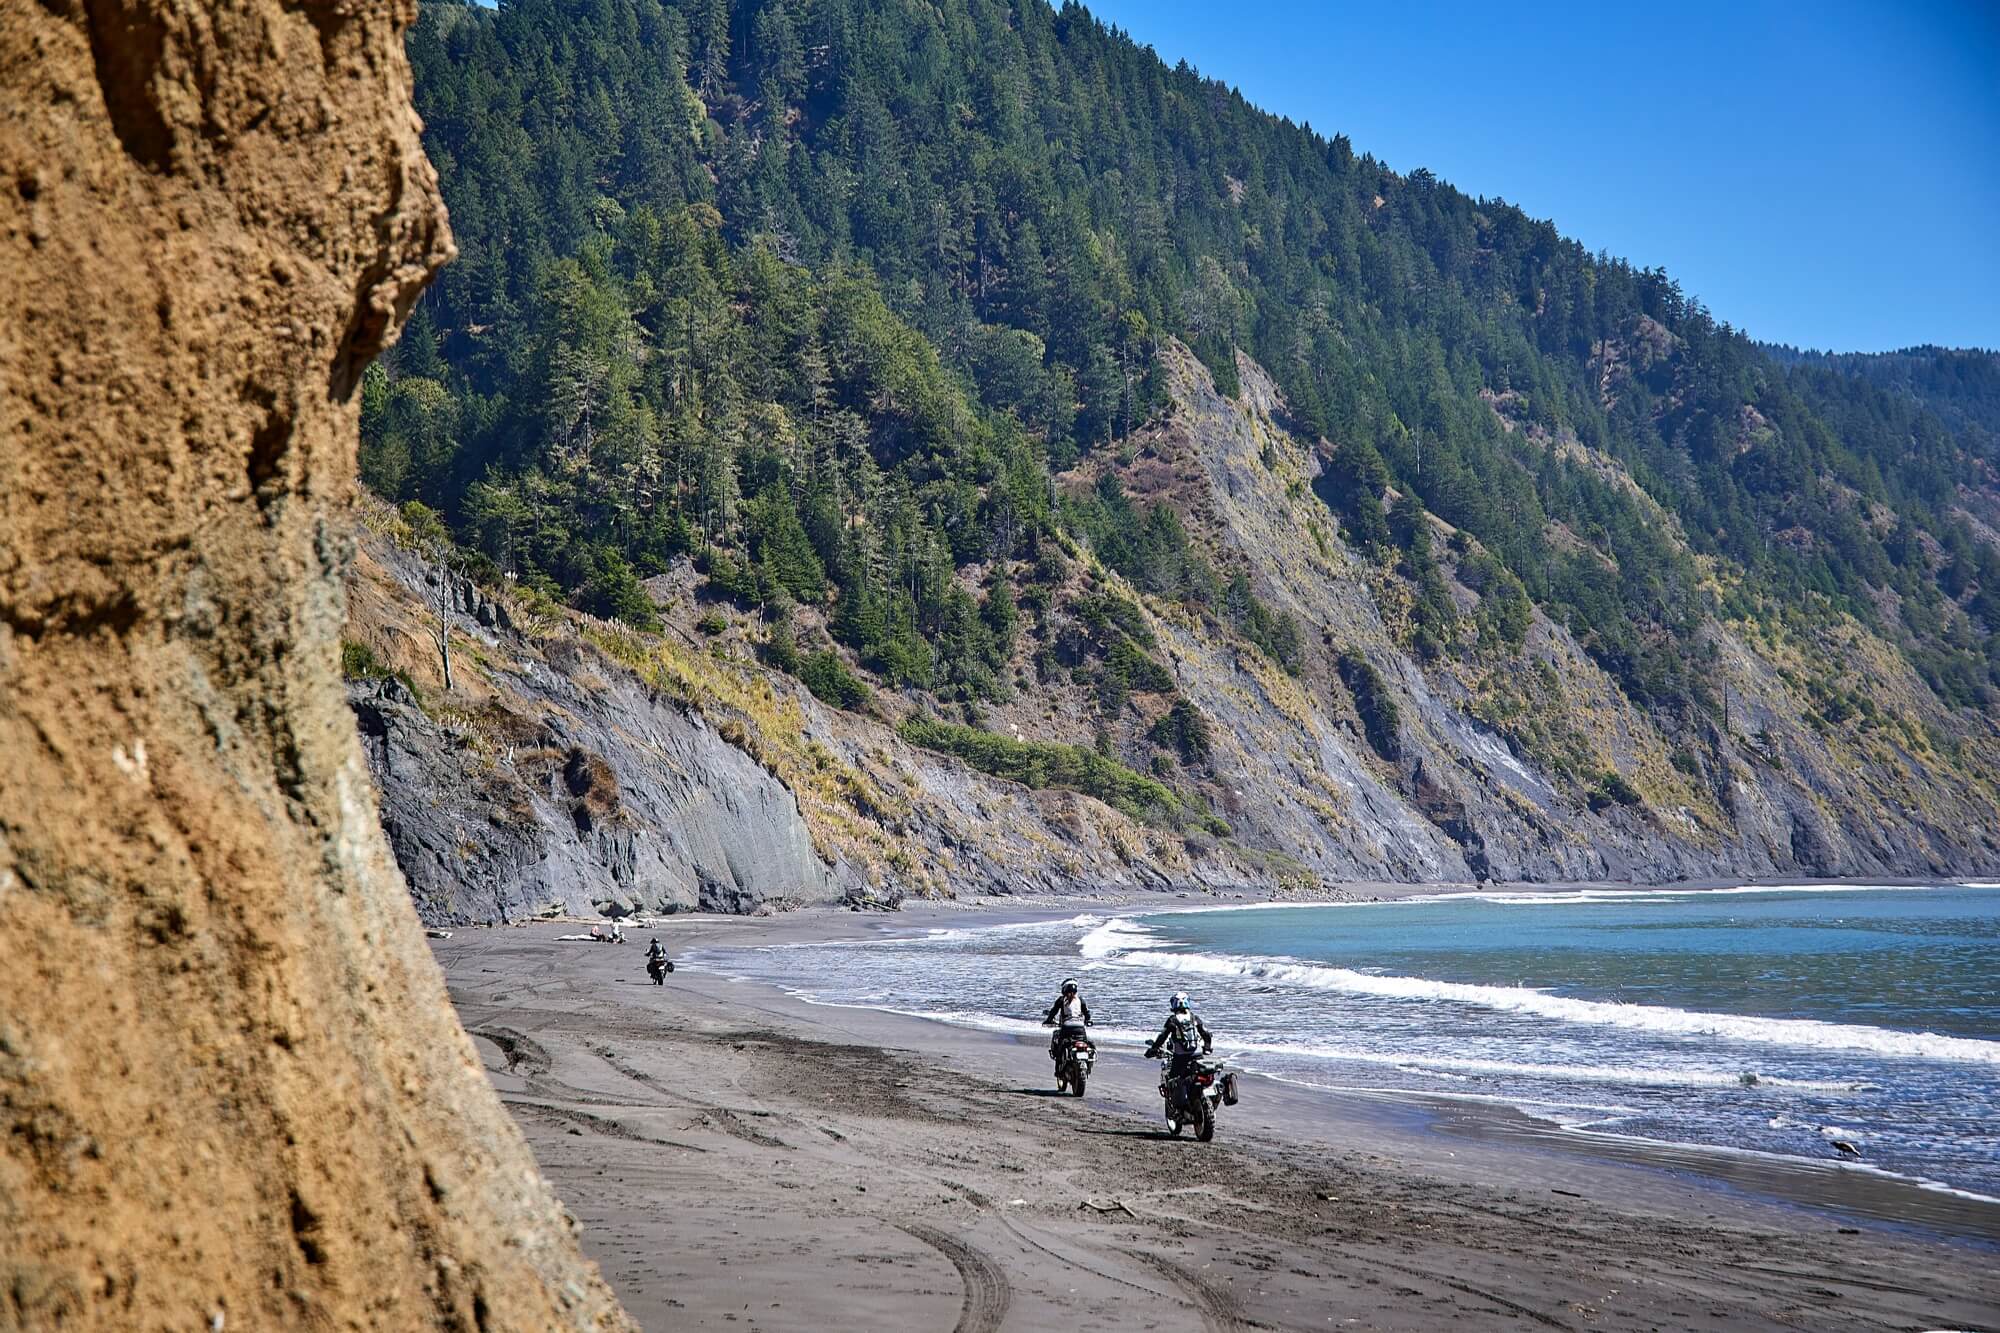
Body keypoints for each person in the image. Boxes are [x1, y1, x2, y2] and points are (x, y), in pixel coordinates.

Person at [1143, 991, 1211, 1080]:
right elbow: (1206, 1034)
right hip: (1197, 1055)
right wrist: (1207, 1048)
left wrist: (1154, 1049)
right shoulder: (1195, 1018)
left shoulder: (1172, 1020)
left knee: (1172, 1079)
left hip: (1180, 1057)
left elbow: (1162, 1036)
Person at [1042, 978, 1092, 1062]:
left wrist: (1048, 1020)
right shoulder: (1080, 1000)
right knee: (1086, 1043)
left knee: (1060, 1046)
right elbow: (1087, 1014)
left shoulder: (1061, 1000)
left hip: (1067, 1028)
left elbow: (1053, 1012)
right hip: (1080, 1028)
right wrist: (1087, 1021)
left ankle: (1059, 1063)